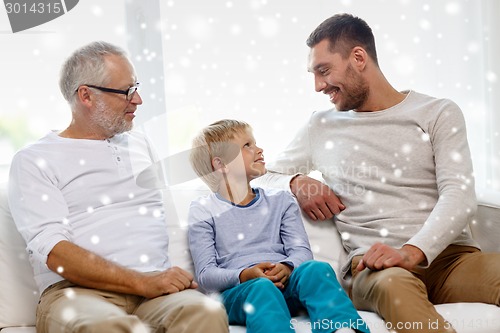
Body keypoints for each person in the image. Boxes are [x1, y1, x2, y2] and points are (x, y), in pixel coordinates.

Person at [255, 13, 500, 333]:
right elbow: (259, 176)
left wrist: (411, 252)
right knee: (395, 287)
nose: (318, 86)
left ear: (358, 57)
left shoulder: (438, 112)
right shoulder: (321, 126)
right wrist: (296, 181)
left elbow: (459, 194)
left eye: (323, 70)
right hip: (374, 267)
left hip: (450, 261)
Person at [8, 41, 228, 333]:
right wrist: (142, 281)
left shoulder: (141, 143)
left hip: (155, 290)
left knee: (206, 312)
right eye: (126, 91)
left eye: (135, 87)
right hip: (78, 293)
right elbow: (56, 253)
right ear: (86, 95)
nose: (137, 100)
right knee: (106, 326)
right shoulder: (34, 160)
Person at [187, 119, 370, 333]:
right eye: (247, 146)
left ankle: (343, 329)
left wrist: (287, 267)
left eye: (255, 143)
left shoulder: (281, 200)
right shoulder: (203, 209)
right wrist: (244, 275)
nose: (259, 149)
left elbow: (301, 251)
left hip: (286, 285)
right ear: (221, 165)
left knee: (317, 269)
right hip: (240, 294)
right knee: (262, 288)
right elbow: (206, 275)